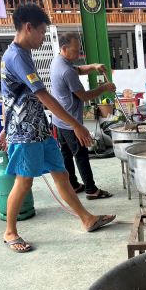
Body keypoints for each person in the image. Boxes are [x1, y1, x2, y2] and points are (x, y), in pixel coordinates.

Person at [0, 3, 115, 253]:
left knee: (61, 174)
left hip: (39, 128)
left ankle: (87, 219)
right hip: (26, 132)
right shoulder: (17, 56)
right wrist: (76, 126)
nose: (42, 37)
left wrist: (4, 127)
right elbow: (45, 97)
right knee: (24, 182)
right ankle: (10, 232)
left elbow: (8, 96)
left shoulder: (21, 53)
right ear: (28, 28)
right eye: (41, 32)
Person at [50, 32, 115, 198]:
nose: (79, 54)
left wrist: (93, 66)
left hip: (59, 120)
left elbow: (78, 69)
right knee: (81, 155)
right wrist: (105, 87)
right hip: (70, 121)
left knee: (66, 153)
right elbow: (84, 96)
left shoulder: (58, 61)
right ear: (64, 48)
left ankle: (72, 184)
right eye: (76, 50)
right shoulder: (66, 70)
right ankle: (91, 190)